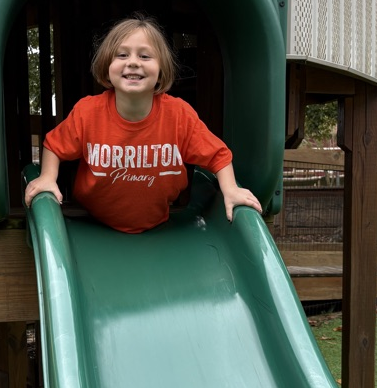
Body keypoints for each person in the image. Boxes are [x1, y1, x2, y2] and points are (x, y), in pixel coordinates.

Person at [24, 15, 262, 233]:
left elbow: (218, 155)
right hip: (92, 222)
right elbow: (54, 145)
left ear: (160, 70)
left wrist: (230, 189)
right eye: (122, 55)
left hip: (159, 225)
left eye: (145, 56)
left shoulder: (178, 115)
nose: (134, 62)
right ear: (107, 65)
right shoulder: (88, 112)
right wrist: (47, 177)